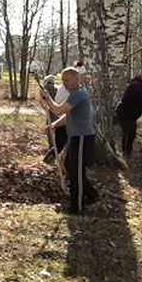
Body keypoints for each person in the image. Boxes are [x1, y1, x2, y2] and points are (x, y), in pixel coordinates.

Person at [40, 67, 98, 214]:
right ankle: (92, 195)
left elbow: (58, 110)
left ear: (77, 80)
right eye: (63, 80)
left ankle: (77, 207)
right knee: (70, 167)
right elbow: (68, 115)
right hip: (75, 137)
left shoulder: (78, 94)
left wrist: (48, 98)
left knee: (76, 172)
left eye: (68, 80)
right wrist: (54, 124)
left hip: (82, 138)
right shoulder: (75, 95)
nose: (65, 83)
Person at [115, 72, 142, 157]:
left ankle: (127, 152)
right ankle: (125, 153)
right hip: (127, 114)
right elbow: (141, 102)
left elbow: (141, 97)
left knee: (131, 133)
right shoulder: (137, 86)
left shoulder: (137, 85)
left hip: (129, 114)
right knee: (128, 134)